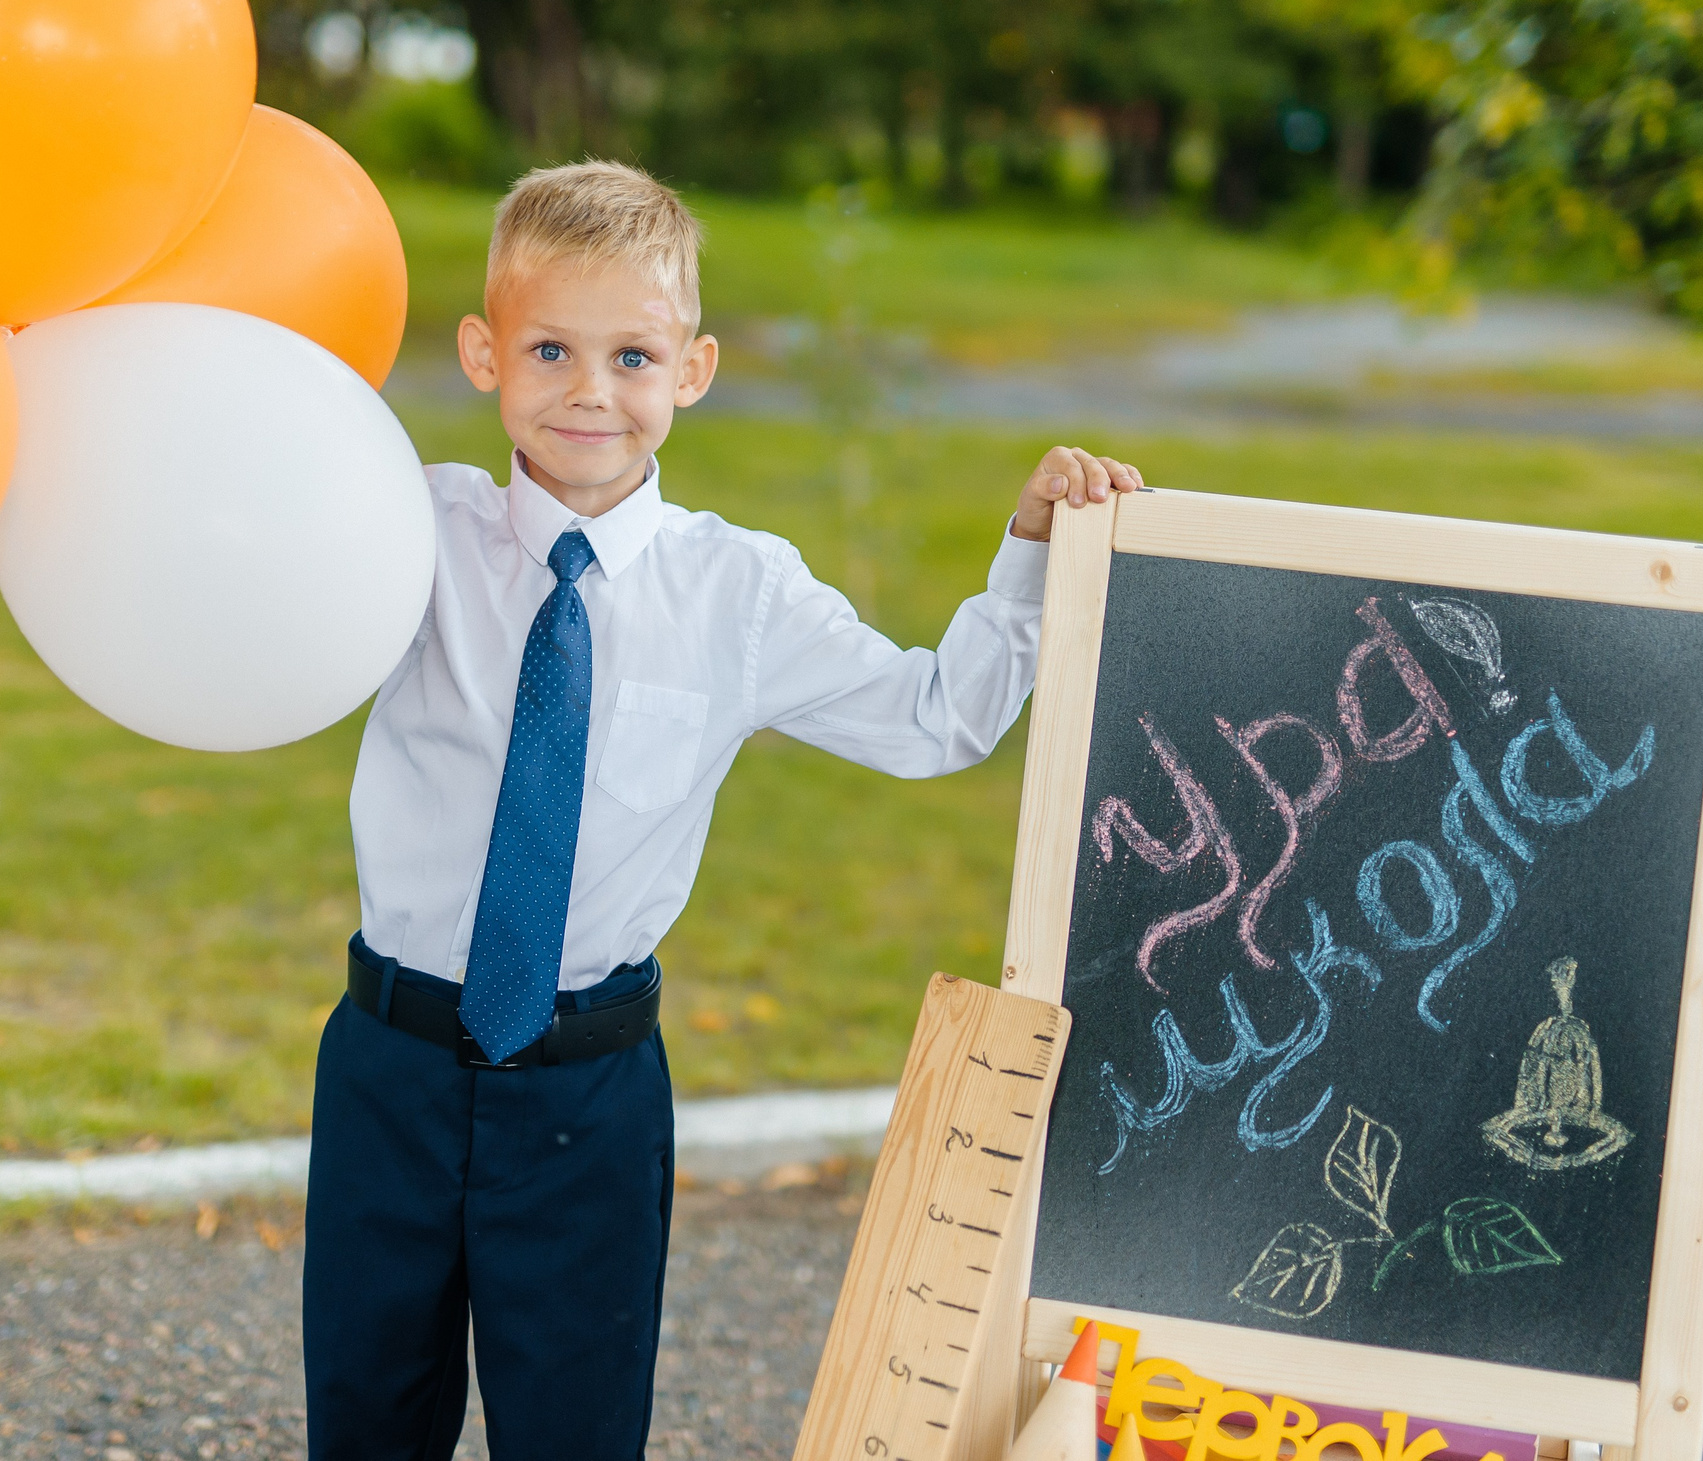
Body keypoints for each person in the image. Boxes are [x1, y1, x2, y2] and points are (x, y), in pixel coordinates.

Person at [303, 160, 1142, 1461]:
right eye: (550, 348)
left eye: (632, 354)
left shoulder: (737, 593)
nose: (591, 390)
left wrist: (1032, 548)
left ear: (692, 368)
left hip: (587, 1091)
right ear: (482, 353)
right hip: (389, 1064)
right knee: (365, 1418)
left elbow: (938, 721)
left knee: (574, 1432)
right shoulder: (409, 529)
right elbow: (261, 618)